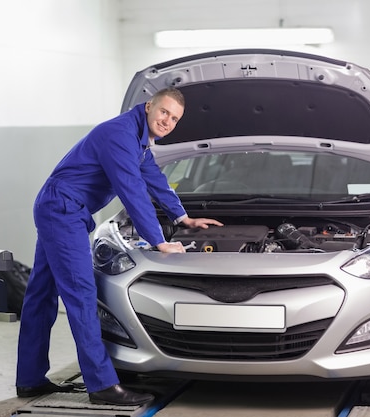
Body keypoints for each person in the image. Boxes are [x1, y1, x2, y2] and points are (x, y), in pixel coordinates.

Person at [15, 87, 223, 406]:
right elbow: (132, 189)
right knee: (82, 294)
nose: (168, 121)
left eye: (175, 118)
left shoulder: (138, 140)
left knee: (41, 294)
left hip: (61, 208)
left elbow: (153, 179)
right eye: (164, 112)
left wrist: (183, 218)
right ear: (149, 106)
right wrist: (159, 241)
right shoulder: (119, 134)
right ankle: (102, 385)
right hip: (63, 210)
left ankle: (29, 379)